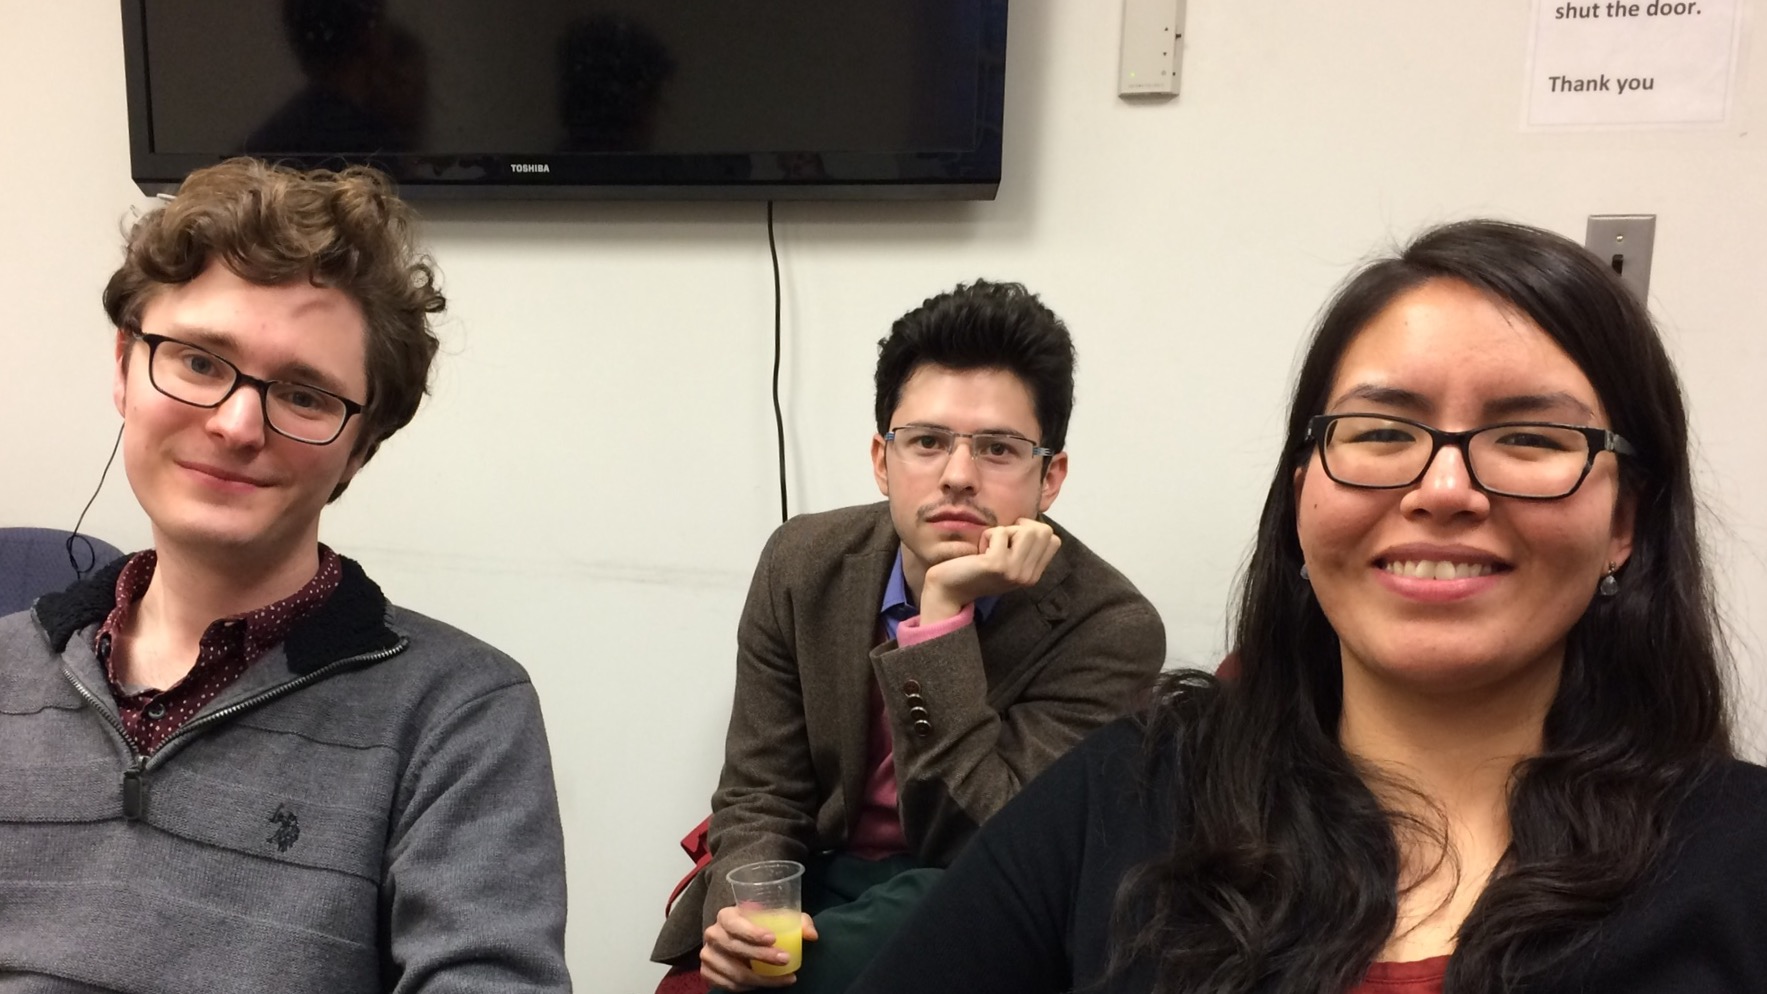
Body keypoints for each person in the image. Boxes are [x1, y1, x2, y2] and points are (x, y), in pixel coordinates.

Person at [849, 220, 1767, 994]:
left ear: (1624, 523)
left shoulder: (1738, 857)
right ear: (1300, 501)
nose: (1443, 488)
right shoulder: (1129, 793)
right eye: (1379, 432)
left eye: (1528, 436)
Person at [0, 158, 571, 993]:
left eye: (305, 395)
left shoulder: (459, 714)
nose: (236, 424)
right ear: (124, 366)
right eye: (197, 361)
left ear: (359, 448)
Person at [651, 280, 1166, 992]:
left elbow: (997, 841)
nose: (957, 475)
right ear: (880, 458)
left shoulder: (1108, 627)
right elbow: (760, 788)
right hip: (824, 873)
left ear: (1050, 477)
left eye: (997, 449)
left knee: (918, 910)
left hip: (968, 893)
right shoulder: (802, 564)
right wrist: (750, 908)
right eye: (925, 442)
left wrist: (941, 619)